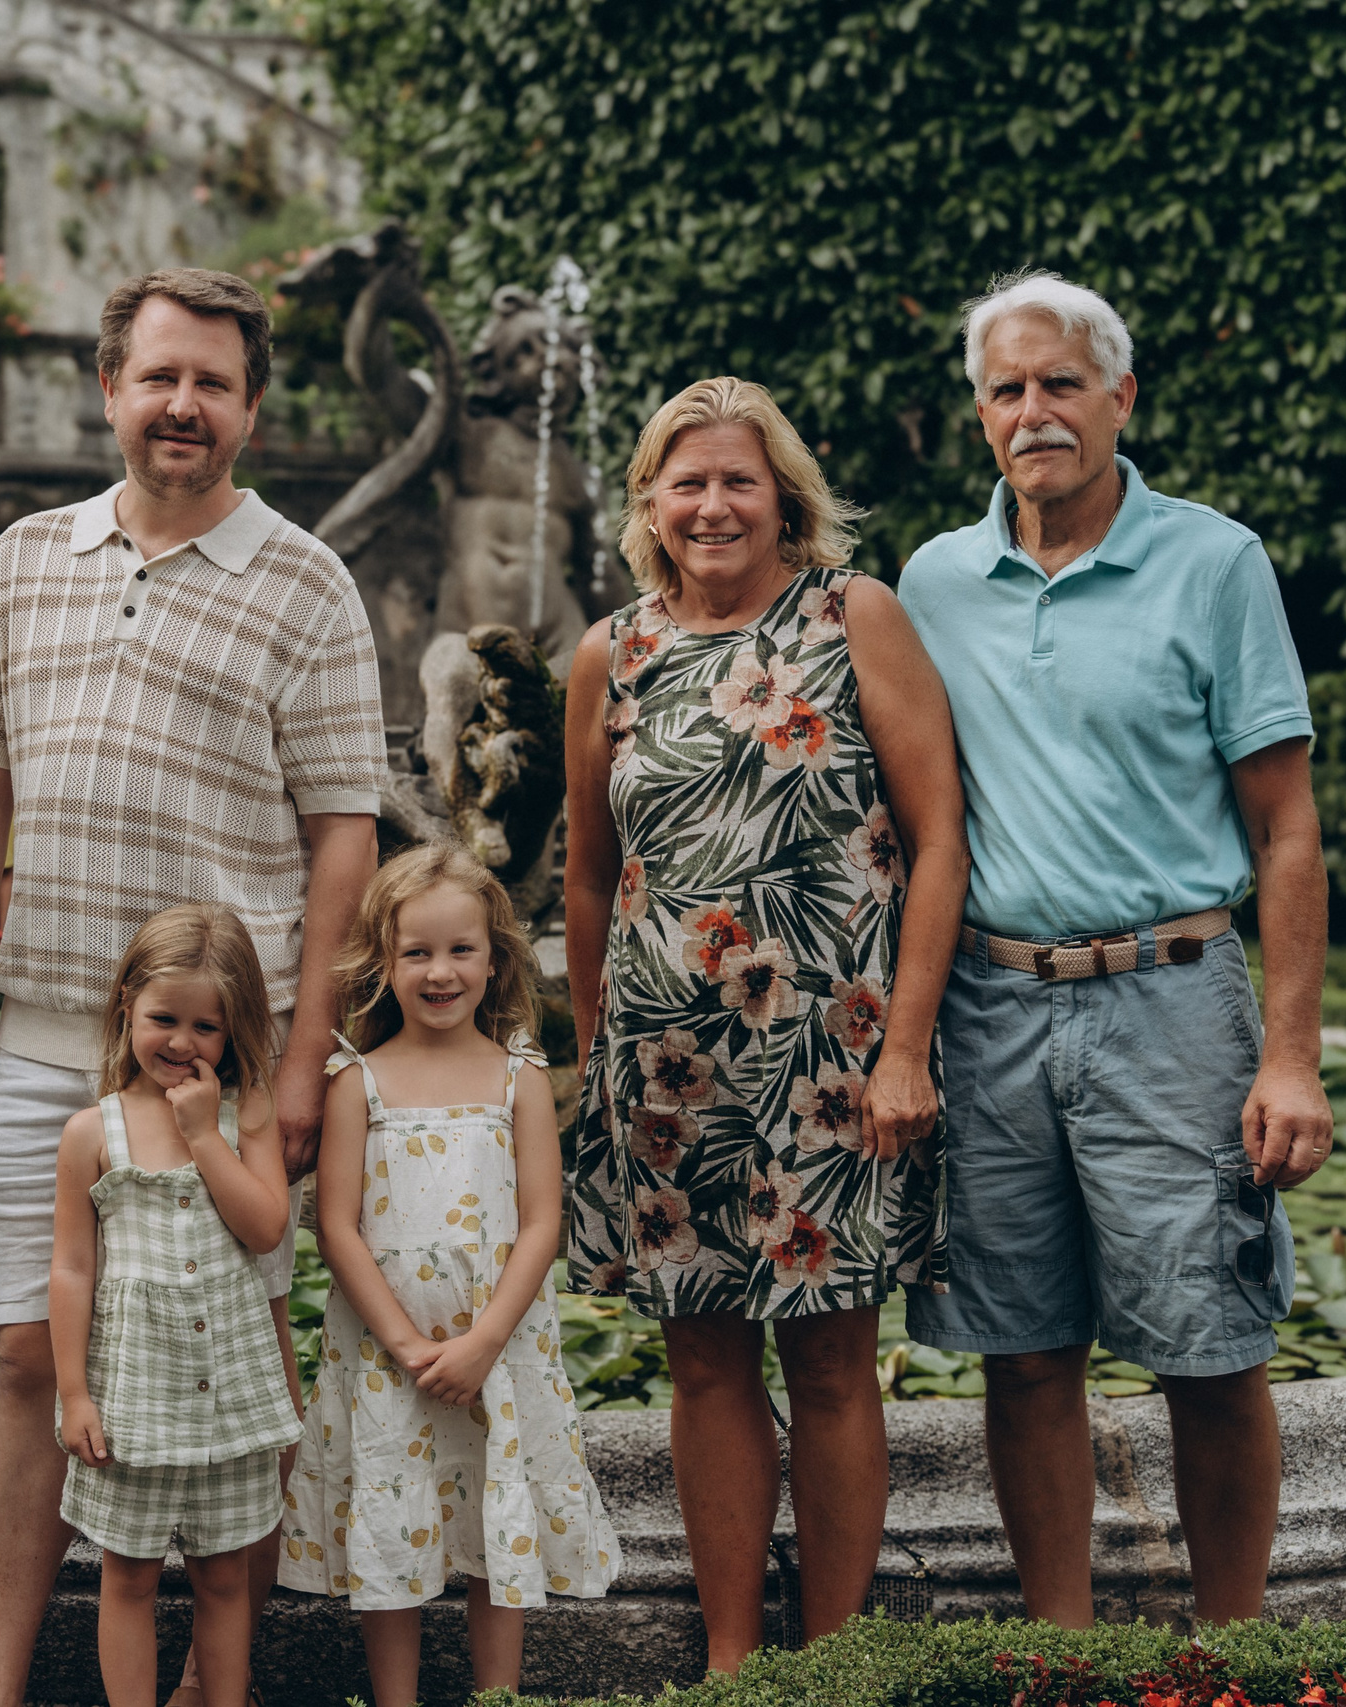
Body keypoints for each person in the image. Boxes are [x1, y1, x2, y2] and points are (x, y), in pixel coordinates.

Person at [0, 267, 385, 1707]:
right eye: (159, 375)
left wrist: (298, 1060)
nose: (183, 404)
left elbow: (345, 837)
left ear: (251, 406)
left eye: (214, 382)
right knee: (22, 1357)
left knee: (221, 1360)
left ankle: (208, 1675)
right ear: (111, 385)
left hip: (218, 1074)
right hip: (54, 1036)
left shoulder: (306, 578)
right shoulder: (23, 556)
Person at [897, 270, 1331, 1627]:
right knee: (1021, 1355)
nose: (1035, 412)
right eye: (1007, 389)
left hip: (1174, 1001)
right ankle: (1062, 1652)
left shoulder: (1215, 561)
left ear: (1120, 397)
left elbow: (1289, 829)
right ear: (981, 414)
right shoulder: (934, 582)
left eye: (1061, 383)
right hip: (992, 1005)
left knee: (1212, 1351)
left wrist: (1294, 1057)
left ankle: (1234, 1644)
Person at [563, 376, 969, 1671]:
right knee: (704, 1364)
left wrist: (906, 1047)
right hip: (668, 1074)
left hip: (833, 1064)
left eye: (740, 478)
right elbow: (586, 873)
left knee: (836, 1365)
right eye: (688, 480)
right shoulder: (609, 653)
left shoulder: (855, 616)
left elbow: (939, 835)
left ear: (785, 493)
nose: (714, 503)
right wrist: (591, 1059)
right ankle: (736, 1660)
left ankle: (832, 1661)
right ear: (650, 503)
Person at [281, 843, 617, 1705]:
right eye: (416, 952)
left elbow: (543, 1220)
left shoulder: (520, 1078)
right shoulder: (358, 1080)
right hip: (388, 1359)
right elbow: (339, 1223)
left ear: (496, 956)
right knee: (393, 1523)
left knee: (488, 1523)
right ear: (383, 963)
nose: (439, 971)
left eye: (460, 949)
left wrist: (482, 1342)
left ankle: (494, 1695)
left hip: (493, 1355)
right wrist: (403, 1342)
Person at [51, 904, 300, 1707]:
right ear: (127, 1003)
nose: (183, 1042)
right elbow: (71, 1269)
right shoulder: (94, 1130)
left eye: (207, 1026)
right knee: (126, 1575)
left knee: (224, 1575)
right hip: (136, 1403)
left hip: (225, 1400)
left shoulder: (244, 1112)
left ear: (235, 1031)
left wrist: (205, 1137)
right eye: (164, 1018)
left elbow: (265, 1229)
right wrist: (75, 1393)